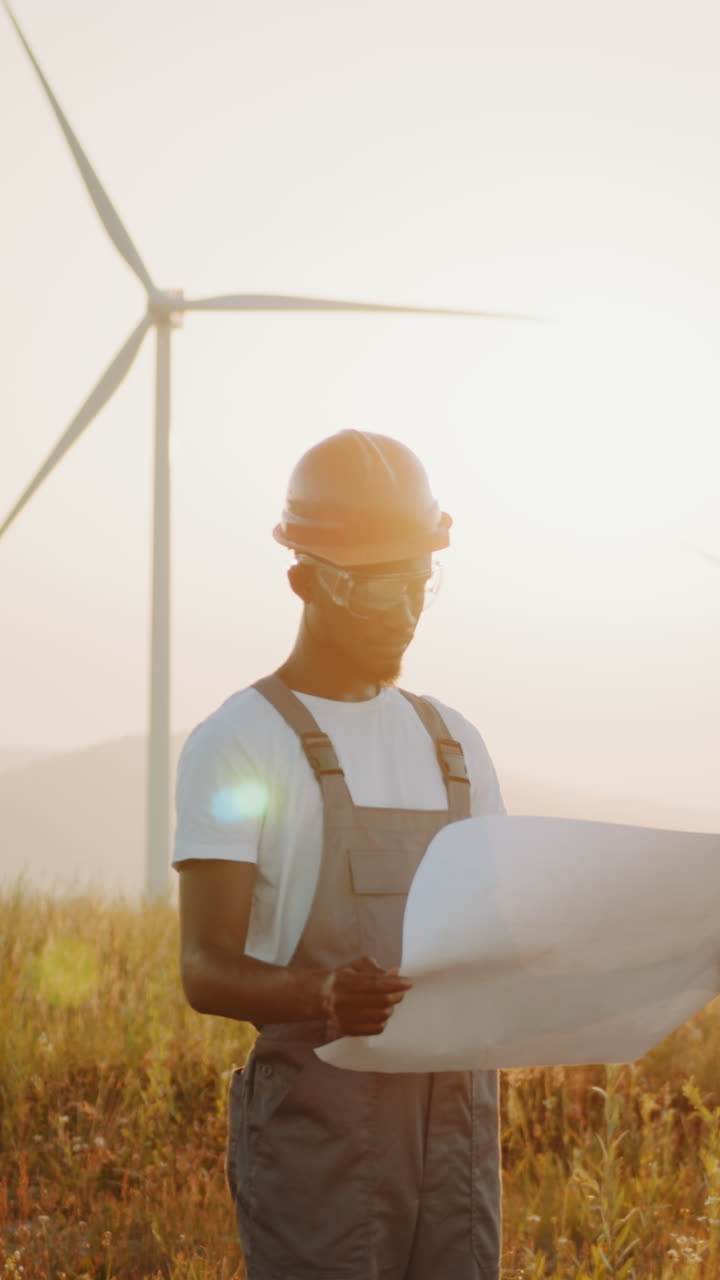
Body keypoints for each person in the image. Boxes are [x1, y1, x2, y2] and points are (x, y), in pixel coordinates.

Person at [173, 429, 505, 1280]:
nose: (404, 611)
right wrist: (320, 991)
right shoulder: (239, 744)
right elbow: (206, 968)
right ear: (305, 579)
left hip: (457, 1133)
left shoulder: (454, 744)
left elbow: (502, 923)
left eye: (420, 583)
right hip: (320, 1140)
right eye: (378, 588)